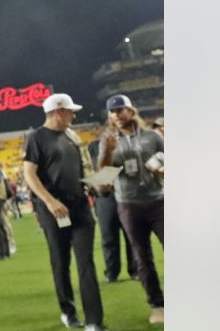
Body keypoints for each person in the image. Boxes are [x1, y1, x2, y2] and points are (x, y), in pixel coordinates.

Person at [23, 93, 107, 331]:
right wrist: (49, 202)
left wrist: (98, 182)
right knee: (61, 263)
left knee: (86, 263)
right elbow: (29, 174)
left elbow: (82, 172)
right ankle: (68, 312)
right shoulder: (36, 138)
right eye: (70, 110)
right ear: (58, 111)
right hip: (54, 210)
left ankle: (93, 321)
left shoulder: (72, 136)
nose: (74, 114)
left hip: (79, 206)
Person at [98, 94, 165, 325]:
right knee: (142, 257)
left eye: (120, 110)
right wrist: (108, 151)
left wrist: (163, 170)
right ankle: (158, 305)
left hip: (158, 200)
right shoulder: (107, 140)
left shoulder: (152, 136)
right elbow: (103, 179)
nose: (116, 115)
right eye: (112, 112)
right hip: (128, 204)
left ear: (131, 110)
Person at [87, 132, 138, 283]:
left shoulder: (129, 144)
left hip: (127, 194)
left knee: (131, 235)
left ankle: (135, 270)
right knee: (108, 236)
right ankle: (112, 272)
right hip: (106, 196)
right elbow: (96, 169)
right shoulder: (94, 146)